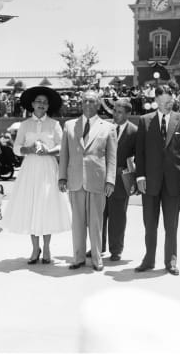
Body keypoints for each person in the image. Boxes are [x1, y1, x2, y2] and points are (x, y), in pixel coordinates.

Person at [1, 86, 71, 264]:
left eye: (45, 103)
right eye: (38, 102)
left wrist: (49, 151)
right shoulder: (24, 125)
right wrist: (29, 149)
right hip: (30, 169)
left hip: (48, 168)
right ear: (32, 104)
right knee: (31, 205)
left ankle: (46, 248)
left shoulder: (54, 125)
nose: (41, 105)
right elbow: (16, 148)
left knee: (46, 206)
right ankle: (34, 248)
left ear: (48, 106)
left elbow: (62, 146)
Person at [135, 81, 180, 276]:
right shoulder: (144, 121)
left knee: (171, 225)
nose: (168, 104)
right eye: (164, 101)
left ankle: (171, 262)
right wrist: (140, 176)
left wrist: (177, 168)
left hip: (174, 182)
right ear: (156, 101)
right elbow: (139, 152)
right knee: (150, 225)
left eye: (171, 101)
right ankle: (148, 260)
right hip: (149, 181)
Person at [59, 91, 117, 272]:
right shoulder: (69, 126)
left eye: (92, 100)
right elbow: (64, 153)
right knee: (77, 223)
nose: (88, 103)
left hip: (97, 181)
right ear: (81, 103)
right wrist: (62, 177)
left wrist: (110, 181)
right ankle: (78, 258)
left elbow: (112, 157)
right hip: (75, 181)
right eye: (85, 100)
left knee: (96, 223)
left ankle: (97, 259)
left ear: (98, 104)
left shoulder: (108, 127)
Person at [97, 99, 138, 261]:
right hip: (101, 177)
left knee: (117, 217)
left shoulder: (134, 131)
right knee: (99, 214)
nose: (116, 114)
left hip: (121, 180)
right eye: (114, 110)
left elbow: (139, 157)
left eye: (120, 112)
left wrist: (134, 178)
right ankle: (98, 246)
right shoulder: (104, 127)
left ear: (128, 114)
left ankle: (116, 250)